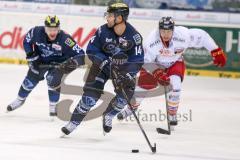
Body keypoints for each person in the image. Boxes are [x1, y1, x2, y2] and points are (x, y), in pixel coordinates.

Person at [117, 16, 227, 127]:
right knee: (142, 88)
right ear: (159, 29)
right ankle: (131, 108)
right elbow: (145, 61)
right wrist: (157, 73)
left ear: (173, 30)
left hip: (175, 62)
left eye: (168, 31)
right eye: (163, 31)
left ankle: (172, 113)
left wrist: (215, 50)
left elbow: (202, 36)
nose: (165, 34)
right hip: (155, 63)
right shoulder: (151, 40)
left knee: (176, 86)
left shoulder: (183, 35)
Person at [61, 0, 144, 135]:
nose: (107, 17)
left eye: (110, 15)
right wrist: (104, 62)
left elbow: (138, 60)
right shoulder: (102, 30)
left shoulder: (134, 37)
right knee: (89, 98)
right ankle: (73, 123)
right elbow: (91, 49)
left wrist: (128, 74)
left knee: (124, 98)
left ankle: (109, 115)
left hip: (122, 71)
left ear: (120, 18)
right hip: (101, 67)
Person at [7, 15, 85, 117]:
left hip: (59, 64)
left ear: (59, 29)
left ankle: (53, 105)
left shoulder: (66, 39)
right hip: (40, 61)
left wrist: (68, 65)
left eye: (55, 29)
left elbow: (81, 54)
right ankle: (19, 99)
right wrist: (31, 55)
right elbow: (26, 41)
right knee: (30, 80)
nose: (52, 32)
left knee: (53, 80)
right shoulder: (35, 32)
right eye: (49, 29)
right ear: (45, 28)